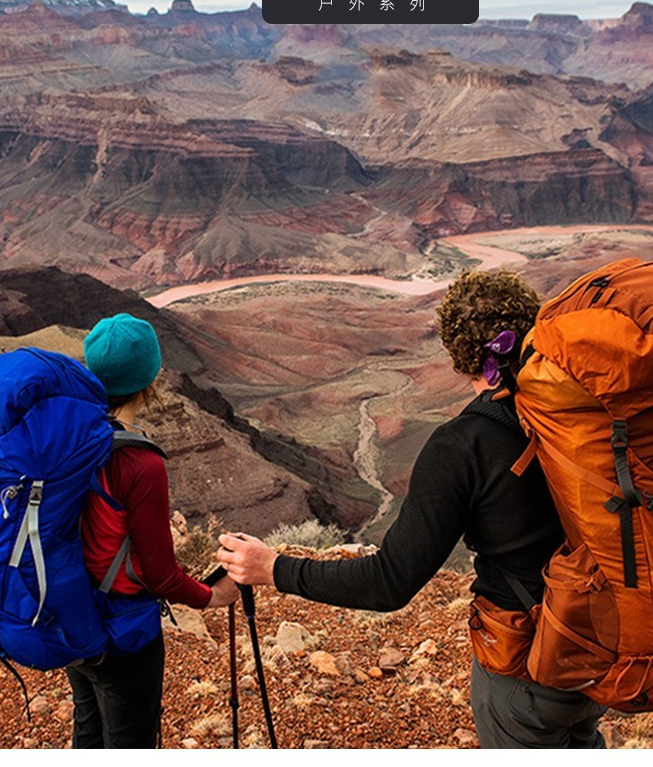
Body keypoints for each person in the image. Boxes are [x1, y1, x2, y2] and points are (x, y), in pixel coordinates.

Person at [217, 270, 607, 749]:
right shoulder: (587, 412)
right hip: (598, 649)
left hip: (526, 665)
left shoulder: (462, 445)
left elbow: (389, 582)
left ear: (459, 354)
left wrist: (273, 568)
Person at [67, 313, 238, 749]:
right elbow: (160, 574)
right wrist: (213, 596)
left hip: (71, 615)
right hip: (123, 633)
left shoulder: (65, 436)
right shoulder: (139, 464)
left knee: (88, 730)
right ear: (152, 377)